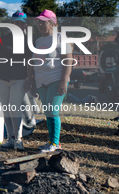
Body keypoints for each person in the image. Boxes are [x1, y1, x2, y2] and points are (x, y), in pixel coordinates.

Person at [25, 9, 73, 153]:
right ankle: (52, 142)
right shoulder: (38, 41)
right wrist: (31, 81)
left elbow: (68, 61)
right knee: (48, 112)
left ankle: (55, 143)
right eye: (38, 22)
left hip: (56, 79)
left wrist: (64, 81)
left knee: (52, 110)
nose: (40, 24)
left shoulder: (60, 38)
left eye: (43, 22)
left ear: (52, 23)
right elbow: (33, 62)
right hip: (41, 81)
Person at [0, 12, 32, 150]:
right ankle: (10, 138)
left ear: (25, 25)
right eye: (15, 23)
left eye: (20, 23)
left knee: (14, 108)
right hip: (2, 78)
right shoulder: (2, 39)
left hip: (19, 78)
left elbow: (31, 62)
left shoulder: (28, 41)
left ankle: (18, 139)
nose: (17, 25)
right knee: (6, 109)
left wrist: (30, 79)